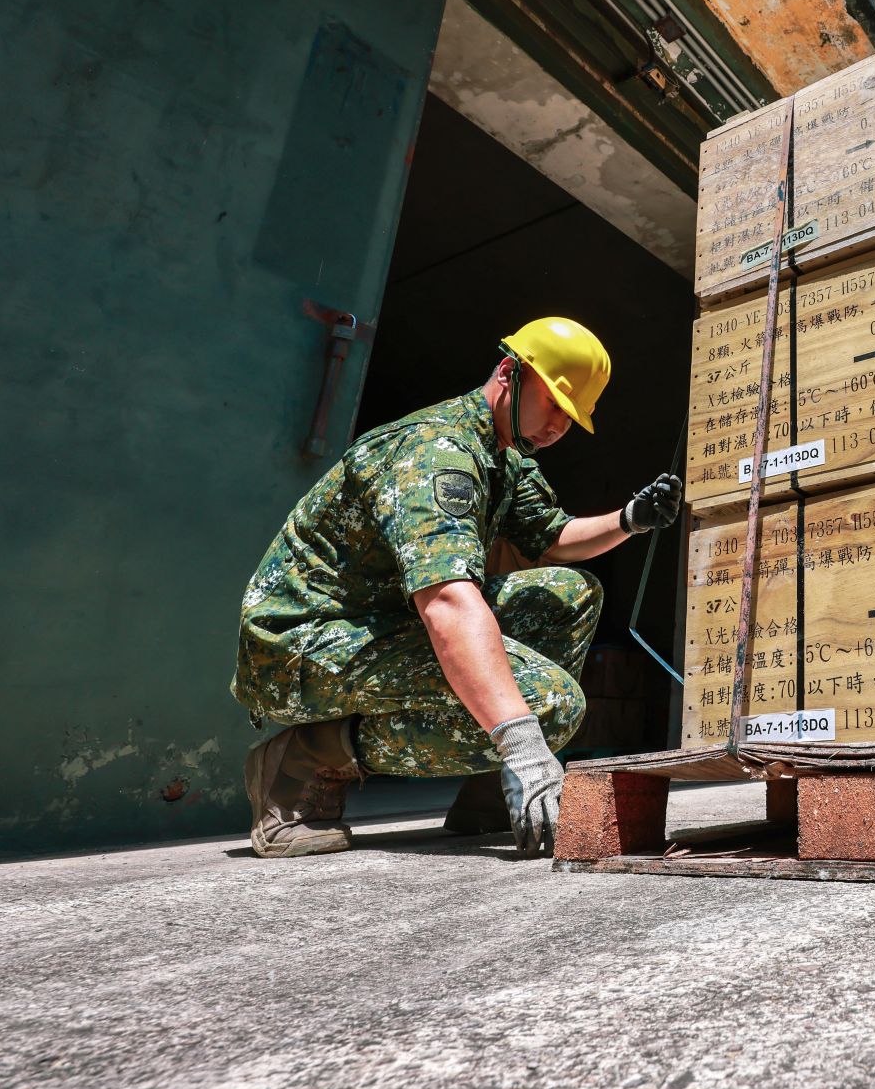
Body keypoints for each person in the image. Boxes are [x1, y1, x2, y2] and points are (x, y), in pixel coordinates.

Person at [232, 317, 683, 858]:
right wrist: (524, 745)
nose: (559, 427)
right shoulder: (437, 451)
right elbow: (446, 601)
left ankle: (491, 795)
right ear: (508, 372)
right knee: (548, 706)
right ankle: (302, 758)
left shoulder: (504, 455)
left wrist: (629, 519)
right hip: (302, 643)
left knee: (566, 594)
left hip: (380, 625)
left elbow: (552, 537)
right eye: (554, 405)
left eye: (572, 418)